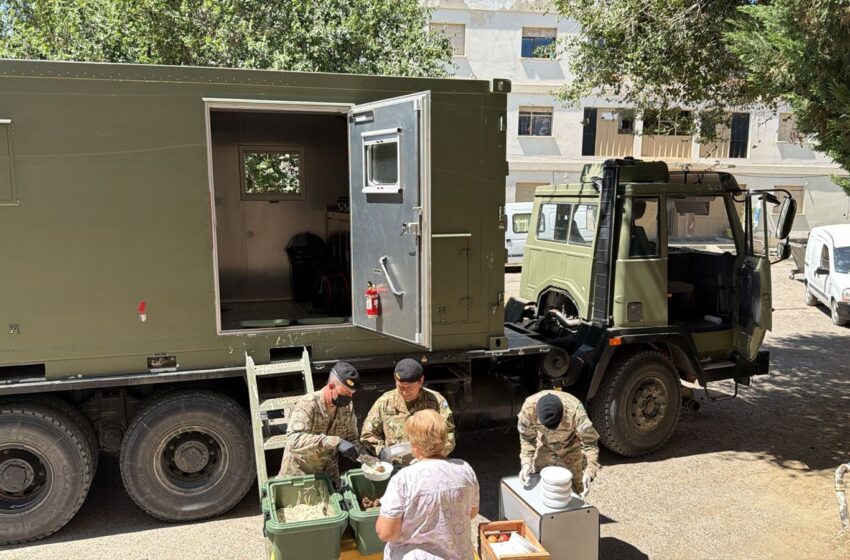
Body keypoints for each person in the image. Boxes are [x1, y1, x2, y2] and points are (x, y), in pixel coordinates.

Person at [376, 409, 479, 560]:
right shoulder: (465, 469)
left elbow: (386, 532)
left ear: (414, 444)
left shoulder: (404, 479)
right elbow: (472, 512)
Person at [278, 361, 368, 485]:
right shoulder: (308, 404)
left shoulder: (346, 407)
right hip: (300, 475)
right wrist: (336, 442)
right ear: (331, 386)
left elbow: (352, 439)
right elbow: (294, 440)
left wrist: (368, 460)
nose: (349, 397)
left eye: (352, 393)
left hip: (328, 475)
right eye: (346, 392)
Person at [361, 358, 455, 465]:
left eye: (410, 387)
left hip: (427, 465)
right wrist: (382, 452)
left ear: (421, 381)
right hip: (395, 466)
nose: (405, 392)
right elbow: (367, 435)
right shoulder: (384, 402)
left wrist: (431, 458)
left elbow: (449, 437)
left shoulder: (436, 401)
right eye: (401, 387)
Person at [517, 390, 600, 496]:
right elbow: (527, 438)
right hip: (544, 446)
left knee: (574, 490)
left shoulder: (575, 410)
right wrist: (526, 463)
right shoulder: (528, 410)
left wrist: (590, 472)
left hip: (570, 448)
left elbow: (590, 443)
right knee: (543, 487)